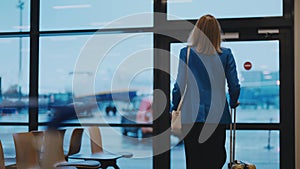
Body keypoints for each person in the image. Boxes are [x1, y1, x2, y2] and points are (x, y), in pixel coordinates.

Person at [171, 14, 240, 169]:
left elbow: (179, 86)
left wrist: (174, 107)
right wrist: (234, 101)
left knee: (194, 160)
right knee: (216, 158)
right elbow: (234, 86)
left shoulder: (186, 53)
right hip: (217, 116)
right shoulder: (226, 54)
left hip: (191, 116)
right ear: (217, 33)